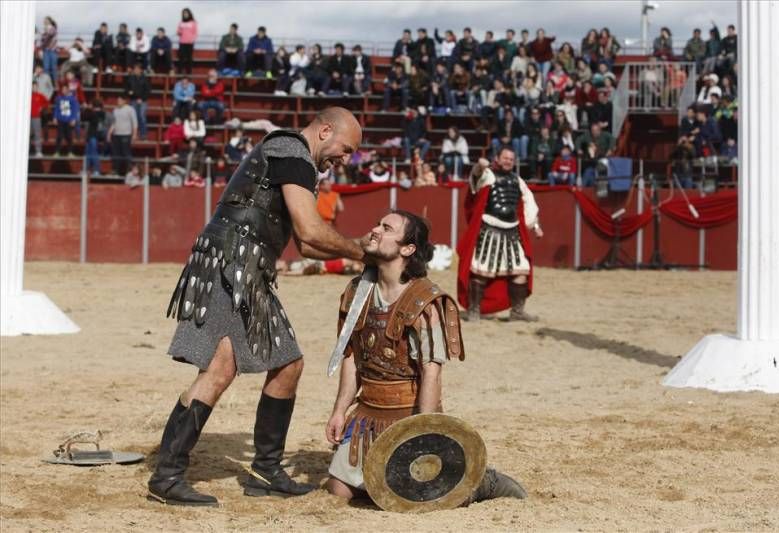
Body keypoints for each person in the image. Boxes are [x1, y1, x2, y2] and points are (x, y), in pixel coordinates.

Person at [148, 107, 369, 507]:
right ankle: (167, 476)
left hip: (248, 268)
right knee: (219, 368)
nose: (345, 159)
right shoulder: (291, 149)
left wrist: (354, 252)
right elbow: (309, 230)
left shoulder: (299, 163)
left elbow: (306, 245)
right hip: (233, 263)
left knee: (288, 363)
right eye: (345, 148)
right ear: (324, 131)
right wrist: (364, 251)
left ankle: (264, 470)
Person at [325, 209, 526, 504]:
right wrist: (340, 411)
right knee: (339, 491)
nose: (375, 230)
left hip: (408, 411)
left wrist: (423, 432)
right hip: (368, 412)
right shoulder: (357, 291)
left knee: (418, 496)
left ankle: (480, 482)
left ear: (408, 249)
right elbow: (351, 357)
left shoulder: (424, 302)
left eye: (387, 228)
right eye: (376, 223)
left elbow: (431, 372)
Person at [457, 149, 543, 322]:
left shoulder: (518, 180)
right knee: (481, 271)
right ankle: (474, 310)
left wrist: (535, 225)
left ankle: (517, 311)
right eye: (505, 158)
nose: (508, 161)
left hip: (513, 231)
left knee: (521, 271)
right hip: (489, 229)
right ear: (497, 159)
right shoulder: (487, 175)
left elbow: (528, 203)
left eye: (511, 159)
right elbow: (475, 178)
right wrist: (479, 167)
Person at [108, 95, 137, 176]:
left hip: (126, 134)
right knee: (116, 153)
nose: (118, 102)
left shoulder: (130, 109)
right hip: (116, 134)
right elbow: (113, 123)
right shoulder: (115, 110)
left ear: (124, 101)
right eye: (118, 100)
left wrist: (134, 134)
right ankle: (116, 170)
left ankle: (129, 171)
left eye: (120, 100)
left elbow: (134, 122)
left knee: (126, 153)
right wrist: (110, 133)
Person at [125, 63, 150, 140]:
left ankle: (143, 134)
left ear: (141, 70)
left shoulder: (145, 79)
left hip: (142, 101)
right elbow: (126, 89)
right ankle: (133, 134)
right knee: (133, 117)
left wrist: (142, 99)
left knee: (142, 117)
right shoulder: (130, 78)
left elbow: (148, 91)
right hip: (133, 100)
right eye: (135, 69)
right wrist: (129, 92)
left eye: (137, 69)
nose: (135, 70)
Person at [53, 84, 79, 157]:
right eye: (62, 89)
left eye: (65, 89)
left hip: (69, 121)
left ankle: (70, 152)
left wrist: (73, 119)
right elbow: (56, 109)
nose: (63, 91)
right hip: (60, 120)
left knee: (69, 137)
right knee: (59, 136)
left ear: (68, 90)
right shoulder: (59, 98)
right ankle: (57, 152)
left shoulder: (72, 99)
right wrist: (55, 117)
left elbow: (74, 110)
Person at [85, 99, 107, 176]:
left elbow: (85, 116)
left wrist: (87, 108)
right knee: (88, 153)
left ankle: (96, 170)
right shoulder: (101, 113)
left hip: (93, 135)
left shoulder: (95, 114)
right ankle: (87, 169)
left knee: (93, 153)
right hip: (91, 135)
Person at [30, 81, 49, 157]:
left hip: (37, 117)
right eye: (32, 86)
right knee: (28, 135)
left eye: (35, 86)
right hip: (27, 119)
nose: (34, 88)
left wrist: (42, 107)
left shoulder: (40, 96)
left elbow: (47, 103)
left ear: (37, 87)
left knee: (37, 134)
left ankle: (38, 151)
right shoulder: (27, 95)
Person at [176, 8, 198, 75]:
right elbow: (178, 31)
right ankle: (179, 73)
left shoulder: (193, 22)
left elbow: (195, 32)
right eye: (184, 13)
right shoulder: (181, 22)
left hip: (190, 43)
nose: (185, 15)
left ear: (189, 14)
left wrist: (192, 39)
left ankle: (189, 73)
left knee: (189, 59)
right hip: (182, 42)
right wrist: (179, 32)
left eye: (186, 13)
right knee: (181, 58)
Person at [38, 16, 59, 84]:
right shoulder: (44, 31)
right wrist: (41, 50)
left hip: (52, 51)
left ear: (50, 21)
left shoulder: (53, 28)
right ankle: (47, 83)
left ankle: (56, 83)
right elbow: (42, 41)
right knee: (46, 68)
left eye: (46, 20)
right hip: (46, 51)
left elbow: (49, 36)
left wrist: (45, 31)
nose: (45, 21)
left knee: (53, 68)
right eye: (44, 20)